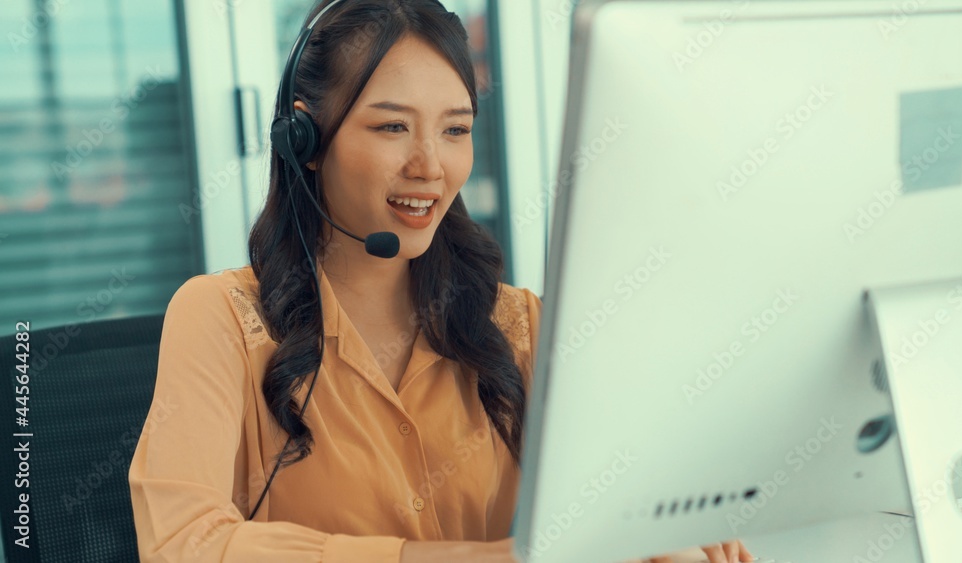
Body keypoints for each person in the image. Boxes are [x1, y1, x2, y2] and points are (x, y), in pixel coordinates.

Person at [128, 1, 753, 561]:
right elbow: (184, 542)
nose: (430, 166)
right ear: (306, 140)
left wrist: (658, 526)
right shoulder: (222, 317)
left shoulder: (520, 326)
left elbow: (623, 496)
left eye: (455, 130)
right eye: (392, 127)